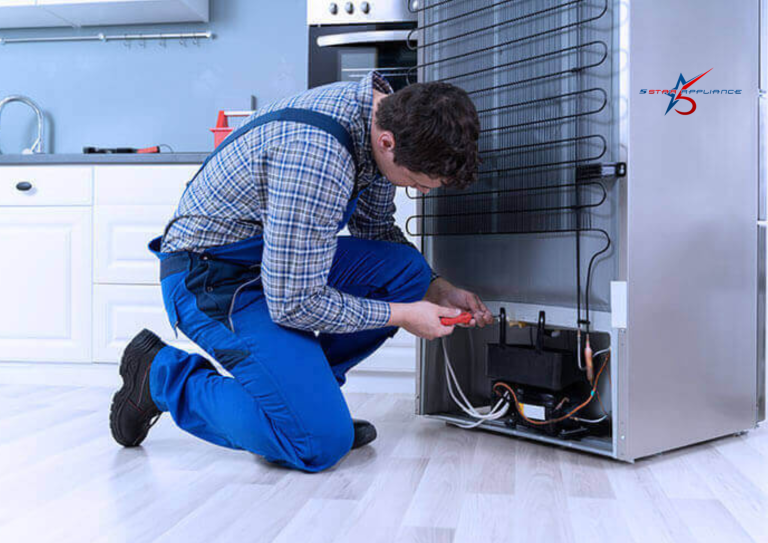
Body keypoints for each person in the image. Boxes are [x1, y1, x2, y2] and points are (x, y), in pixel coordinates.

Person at [109, 71, 493, 472]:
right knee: (318, 443)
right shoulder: (317, 158)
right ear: (387, 144)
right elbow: (294, 304)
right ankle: (162, 377)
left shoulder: (383, 116)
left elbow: (376, 231)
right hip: (212, 278)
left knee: (407, 275)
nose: (423, 192)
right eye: (418, 184)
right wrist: (404, 315)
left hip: (274, 267)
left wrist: (435, 287)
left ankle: (302, 400)